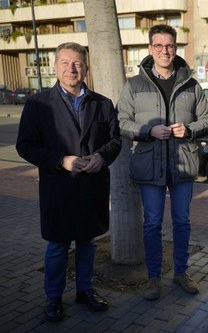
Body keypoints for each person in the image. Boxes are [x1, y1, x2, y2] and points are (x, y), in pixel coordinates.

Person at [16, 42, 122, 322]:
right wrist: (60, 160)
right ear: (55, 66)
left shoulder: (102, 103)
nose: (71, 68)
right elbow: (25, 145)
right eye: (65, 62)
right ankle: (53, 297)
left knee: (88, 244)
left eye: (77, 63)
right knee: (58, 246)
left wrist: (102, 156)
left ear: (86, 68)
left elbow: (115, 140)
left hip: (92, 187)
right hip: (58, 188)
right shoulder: (38, 104)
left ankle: (85, 291)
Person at [117, 24, 208, 300]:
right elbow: (121, 121)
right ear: (150, 49)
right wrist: (147, 131)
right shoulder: (134, 85)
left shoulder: (191, 84)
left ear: (175, 48)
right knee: (152, 223)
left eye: (169, 45)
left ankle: (181, 272)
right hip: (149, 165)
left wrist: (190, 129)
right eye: (158, 45)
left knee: (182, 221)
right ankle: (153, 278)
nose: (164, 51)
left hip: (182, 163)